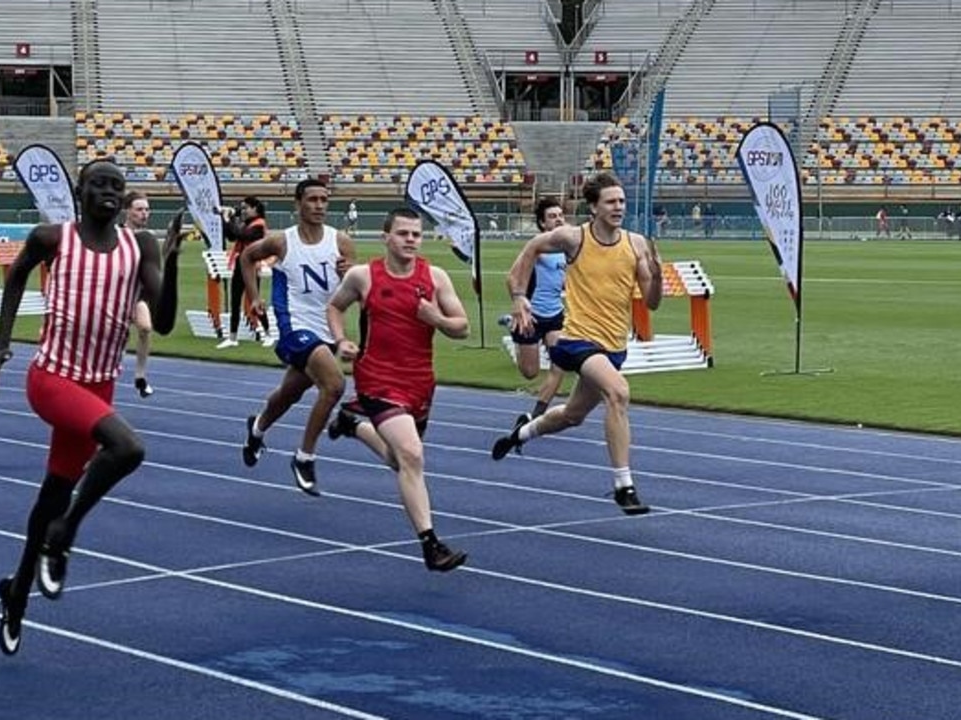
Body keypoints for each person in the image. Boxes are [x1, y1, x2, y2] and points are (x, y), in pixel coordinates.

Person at [0, 160, 184, 656]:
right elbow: (15, 278)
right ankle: (64, 535)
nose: (110, 193)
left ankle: (17, 592)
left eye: (118, 187)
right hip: (51, 378)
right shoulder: (53, 238)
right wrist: (1, 343)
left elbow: (161, 325)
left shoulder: (142, 248)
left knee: (52, 495)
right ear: (80, 191)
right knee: (128, 448)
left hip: (99, 387)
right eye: (100, 184)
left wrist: (174, 261)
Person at [490, 172, 663, 516]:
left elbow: (653, 302)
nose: (619, 207)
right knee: (619, 393)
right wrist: (520, 296)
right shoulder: (574, 238)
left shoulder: (637, 244)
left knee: (572, 416)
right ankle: (623, 485)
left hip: (613, 345)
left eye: (622, 201)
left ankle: (521, 434)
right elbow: (533, 247)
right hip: (576, 339)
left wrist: (656, 276)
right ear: (594, 207)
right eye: (611, 202)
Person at [325, 208, 469, 572]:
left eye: (416, 235)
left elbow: (462, 327)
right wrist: (341, 340)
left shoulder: (434, 278)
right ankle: (431, 545)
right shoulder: (363, 276)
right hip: (376, 379)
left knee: (400, 459)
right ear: (385, 237)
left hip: (420, 382)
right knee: (413, 455)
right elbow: (335, 307)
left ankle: (352, 424)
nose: (410, 240)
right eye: (403, 233)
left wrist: (435, 318)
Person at [239, 178, 356, 496]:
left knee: (290, 393)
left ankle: (258, 427)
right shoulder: (281, 242)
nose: (319, 205)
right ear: (298, 204)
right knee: (334, 386)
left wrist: (350, 275)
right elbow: (246, 258)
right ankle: (305, 457)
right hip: (294, 326)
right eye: (313, 199)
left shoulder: (341, 242)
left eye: (324, 200)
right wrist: (254, 296)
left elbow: (354, 288)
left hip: (327, 328)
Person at [508, 197, 571, 422]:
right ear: (543, 224)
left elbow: (562, 279)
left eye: (560, 215)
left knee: (560, 364)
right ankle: (511, 326)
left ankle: (536, 415)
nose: (558, 220)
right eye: (552, 217)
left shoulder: (568, 247)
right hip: (532, 315)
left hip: (555, 314)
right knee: (530, 372)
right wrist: (518, 303)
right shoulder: (538, 246)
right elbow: (512, 277)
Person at [218, 196, 273, 349]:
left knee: (254, 300)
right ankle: (233, 337)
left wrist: (230, 218)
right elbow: (231, 235)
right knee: (235, 301)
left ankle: (268, 334)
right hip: (240, 264)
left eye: (246, 208)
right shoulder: (247, 224)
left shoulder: (259, 225)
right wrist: (226, 219)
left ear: (255, 209)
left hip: (252, 267)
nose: (244, 211)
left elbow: (241, 235)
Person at [123, 191, 156, 397]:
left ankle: (140, 376)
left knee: (145, 327)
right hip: (117, 292)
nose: (143, 214)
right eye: (139, 209)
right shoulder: (118, 234)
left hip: (138, 293)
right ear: (128, 212)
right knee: (118, 334)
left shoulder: (148, 237)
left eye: (146, 210)